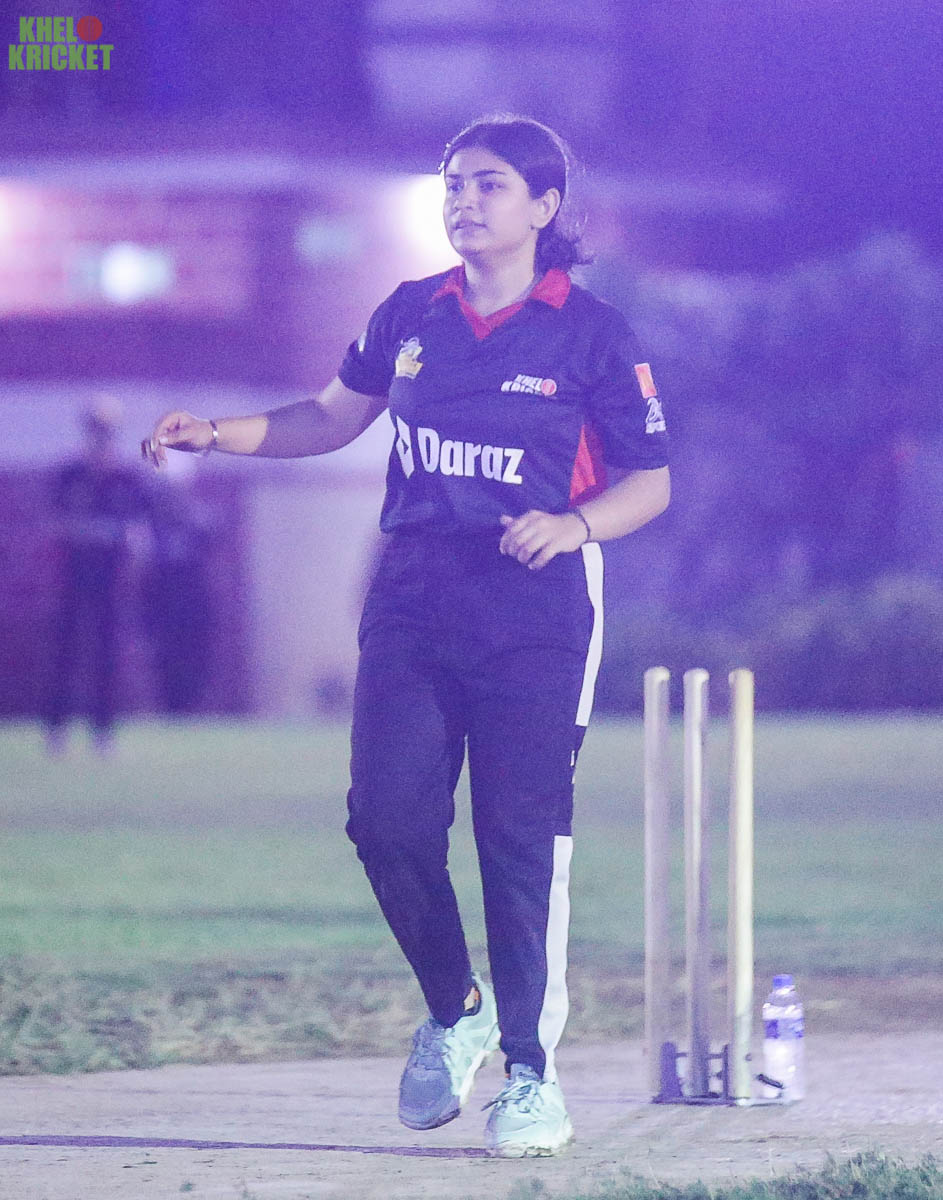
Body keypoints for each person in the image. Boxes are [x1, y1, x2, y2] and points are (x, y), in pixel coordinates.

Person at [142, 115, 670, 1157]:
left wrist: (572, 525)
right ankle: (454, 1006)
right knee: (384, 820)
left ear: (544, 205)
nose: (463, 200)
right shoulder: (410, 312)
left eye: (488, 184)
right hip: (415, 596)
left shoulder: (593, 333)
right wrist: (219, 433)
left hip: (536, 608)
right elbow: (330, 417)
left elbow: (648, 483)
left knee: (518, 840)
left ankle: (531, 1075)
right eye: (452, 182)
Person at [44, 397, 151, 757]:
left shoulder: (126, 478)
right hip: (73, 577)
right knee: (66, 651)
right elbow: (54, 521)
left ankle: (102, 731)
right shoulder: (70, 474)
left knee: (106, 655)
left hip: (111, 580)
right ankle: (56, 729)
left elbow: (139, 528)